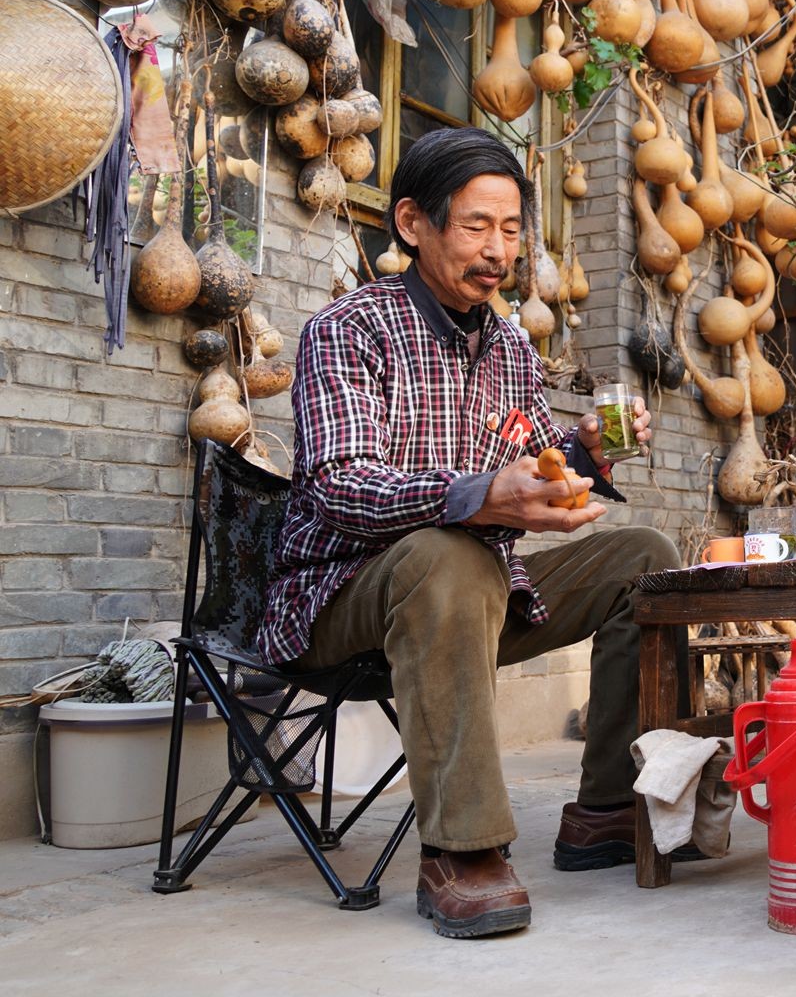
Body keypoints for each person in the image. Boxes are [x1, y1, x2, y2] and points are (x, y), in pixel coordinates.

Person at [258, 127, 681, 939]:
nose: (498, 251)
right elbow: (340, 487)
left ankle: (605, 810)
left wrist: (585, 456)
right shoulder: (350, 328)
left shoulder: (512, 346)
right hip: (341, 597)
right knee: (445, 554)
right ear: (413, 223)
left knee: (646, 560)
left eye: (512, 230)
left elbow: (534, 468)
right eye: (477, 226)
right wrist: (478, 495)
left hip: (480, 593)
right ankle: (464, 849)